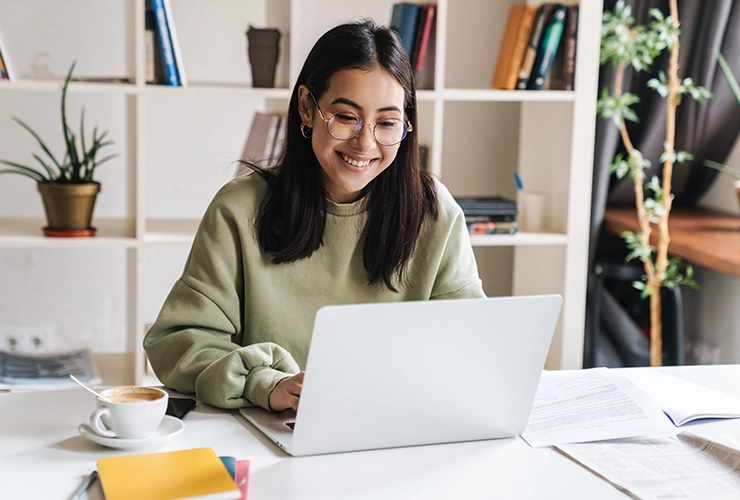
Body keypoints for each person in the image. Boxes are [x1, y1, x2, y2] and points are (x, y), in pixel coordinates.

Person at [144, 20, 485, 412]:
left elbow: (470, 342)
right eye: (345, 116)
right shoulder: (239, 211)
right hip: (272, 430)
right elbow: (178, 341)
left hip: (397, 426)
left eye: (387, 123)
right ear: (307, 107)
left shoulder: (434, 214)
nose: (365, 142)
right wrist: (264, 382)